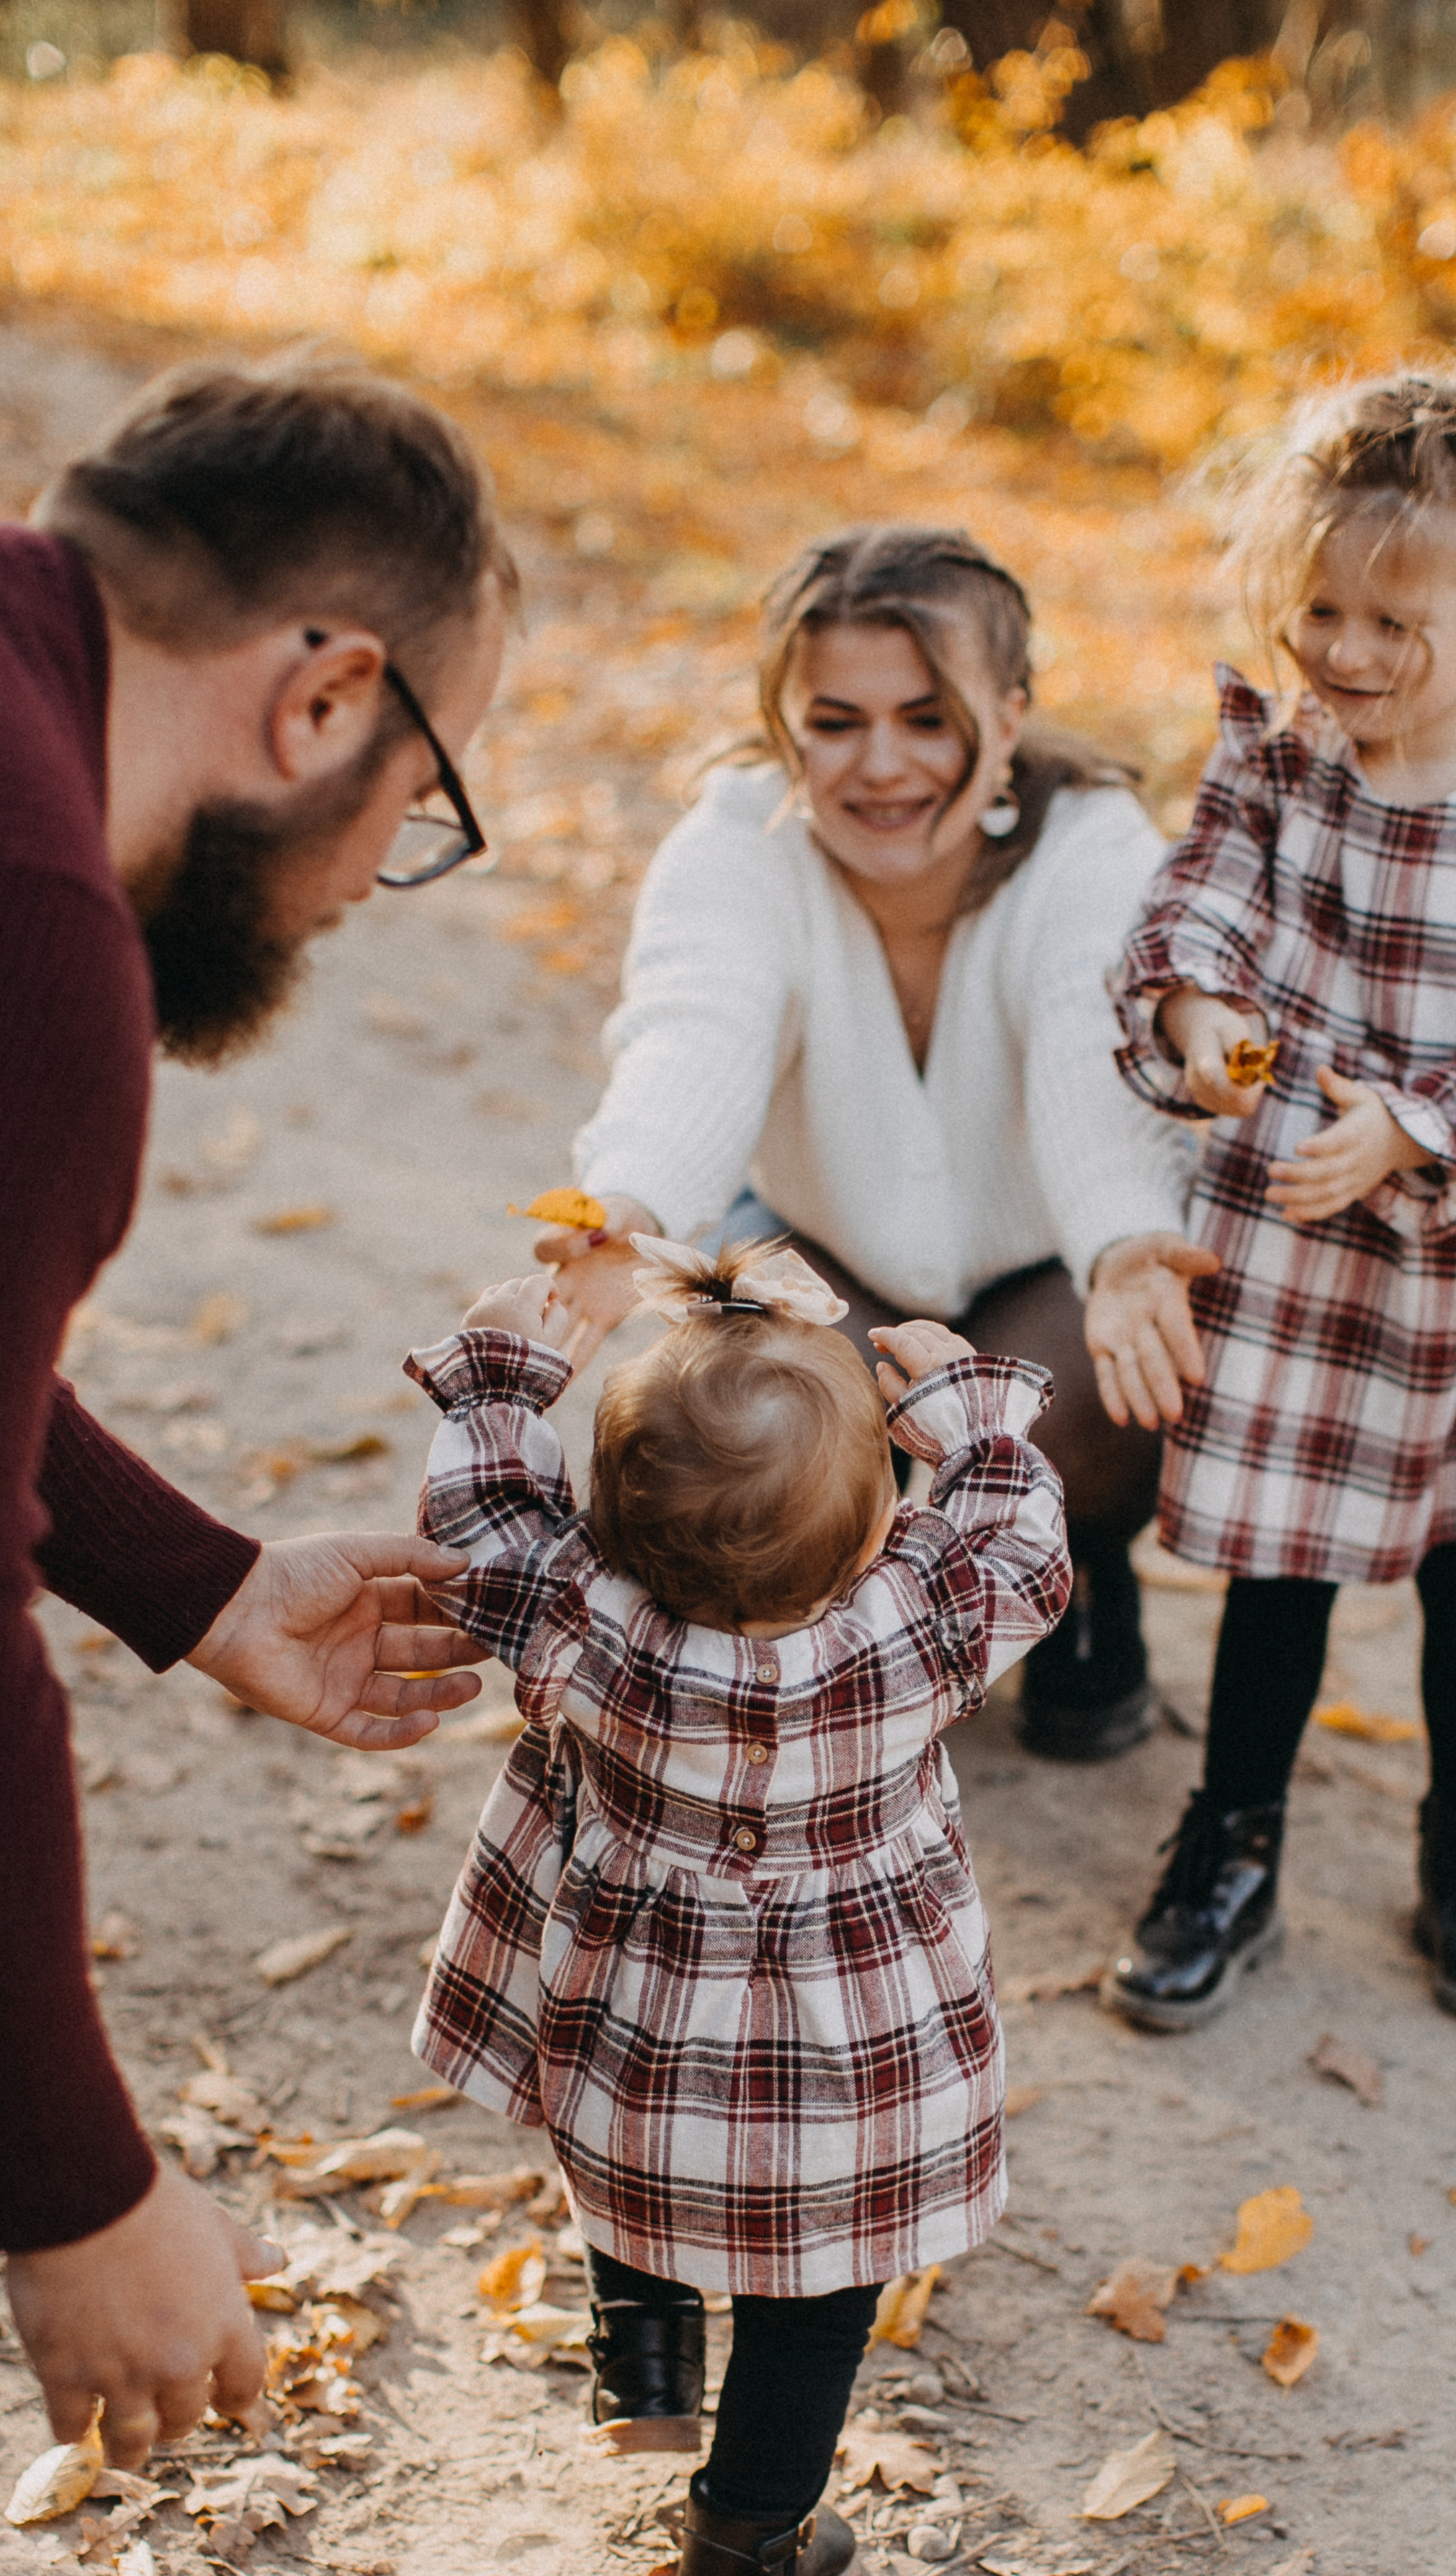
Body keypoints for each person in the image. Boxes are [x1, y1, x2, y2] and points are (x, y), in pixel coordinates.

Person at [0, 351, 517, 2469]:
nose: (368, 885)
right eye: (417, 817)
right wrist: (76, 2189)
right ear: (327, 696)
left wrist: (205, 1577)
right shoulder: (13, 914)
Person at [402, 1235, 1069, 2576]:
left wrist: (506, 1374)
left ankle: (639, 2367)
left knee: (631, 2141)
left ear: (606, 1515)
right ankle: (748, 2544)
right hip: (848, 2044)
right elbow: (1021, 1534)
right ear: (882, 1522)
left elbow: (477, 1519)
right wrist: (964, 1415)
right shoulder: (917, 1622)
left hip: (640, 2002)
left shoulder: (583, 1608)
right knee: (820, 2273)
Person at [1103, 371, 1456, 2033]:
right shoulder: (1277, 765)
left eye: (1389, 622)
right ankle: (1231, 1832)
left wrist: (1416, 1130)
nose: (1342, 656)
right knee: (1281, 1557)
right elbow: (1189, 904)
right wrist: (1195, 1019)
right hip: (1294, 1234)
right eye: (1318, 613)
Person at [532, 526, 1217, 1762]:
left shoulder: (1096, 850)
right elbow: (698, 1030)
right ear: (784, 723)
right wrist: (625, 1202)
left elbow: (1088, 1067)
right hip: (819, 1245)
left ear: (1008, 717)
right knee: (760, 1409)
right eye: (835, 721)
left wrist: (1122, 1245)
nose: (881, 765)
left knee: (1089, 1386)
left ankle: (1078, 1576)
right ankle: (825, 1638)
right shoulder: (739, 837)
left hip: (1048, 1262)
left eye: (928, 718)